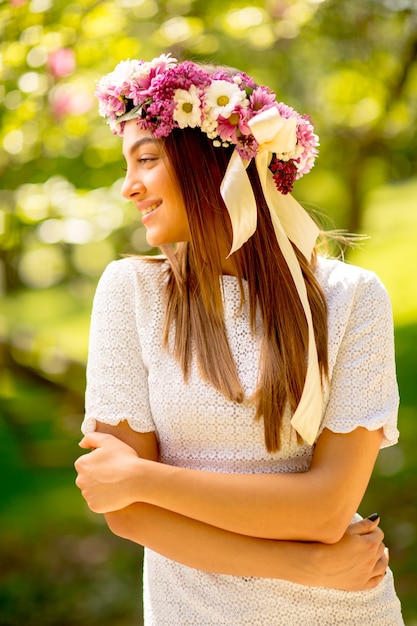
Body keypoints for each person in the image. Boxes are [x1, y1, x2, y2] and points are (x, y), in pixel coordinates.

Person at [74, 54, 404, 624]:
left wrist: (146, 478)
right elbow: (126, 511)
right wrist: (305, 567)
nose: (128, 187)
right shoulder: (130, 293)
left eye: (146, 160)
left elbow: (327, 512)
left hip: (346, 611)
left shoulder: (353, 297)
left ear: (212, 160)